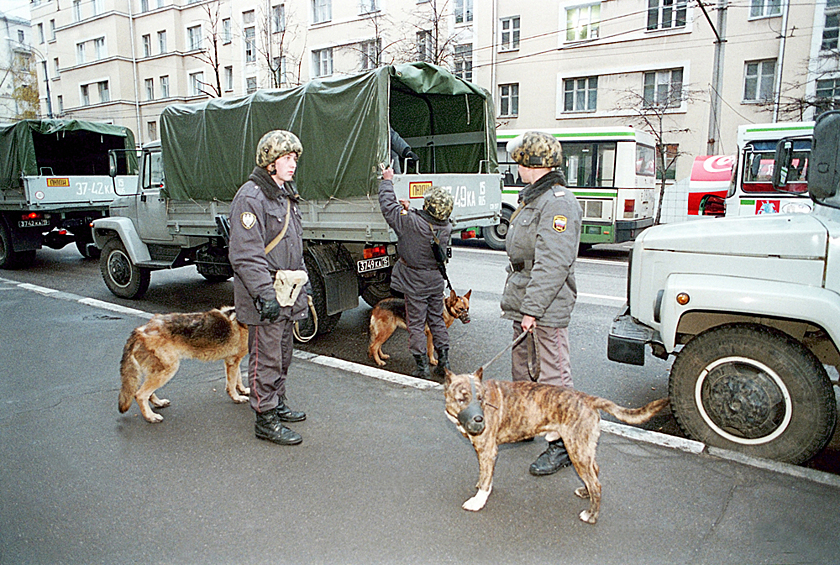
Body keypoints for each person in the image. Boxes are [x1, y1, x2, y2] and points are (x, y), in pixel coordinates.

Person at [500, 130, 583, 476]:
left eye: (519, 160)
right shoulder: (537, 197)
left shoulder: (557, 202)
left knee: (552, 376)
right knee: (524, 370)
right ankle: (526, 424)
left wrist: (533, 309)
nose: (516, 165)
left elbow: (553, 263)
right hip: (526, 295)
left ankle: (562, 444)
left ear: (532, 163)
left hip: (543, 303)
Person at [228, 130, 309, 446]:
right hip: (266, 295)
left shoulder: (284, 193)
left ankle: (278, 403)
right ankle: (265, 419)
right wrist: (264, 295)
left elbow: (293, 246)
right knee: (266, 358)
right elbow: (245, 255)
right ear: (270, 161)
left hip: (287, 291)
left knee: (284, 354)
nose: (293, 165)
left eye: (294, 159)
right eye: (287, 159)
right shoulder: (251, 197)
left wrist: (305, 287)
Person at [378, 165, 454, 379]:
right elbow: (423, 225)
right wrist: (409, 210)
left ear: (428, 206)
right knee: (437, 320)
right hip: (435, 280)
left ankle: (421, 368)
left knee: (417, 324)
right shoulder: (446, 226)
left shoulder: (410, 222)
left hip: (414, 282)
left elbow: (388, 208)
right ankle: (443, 363)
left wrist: (387, 180)